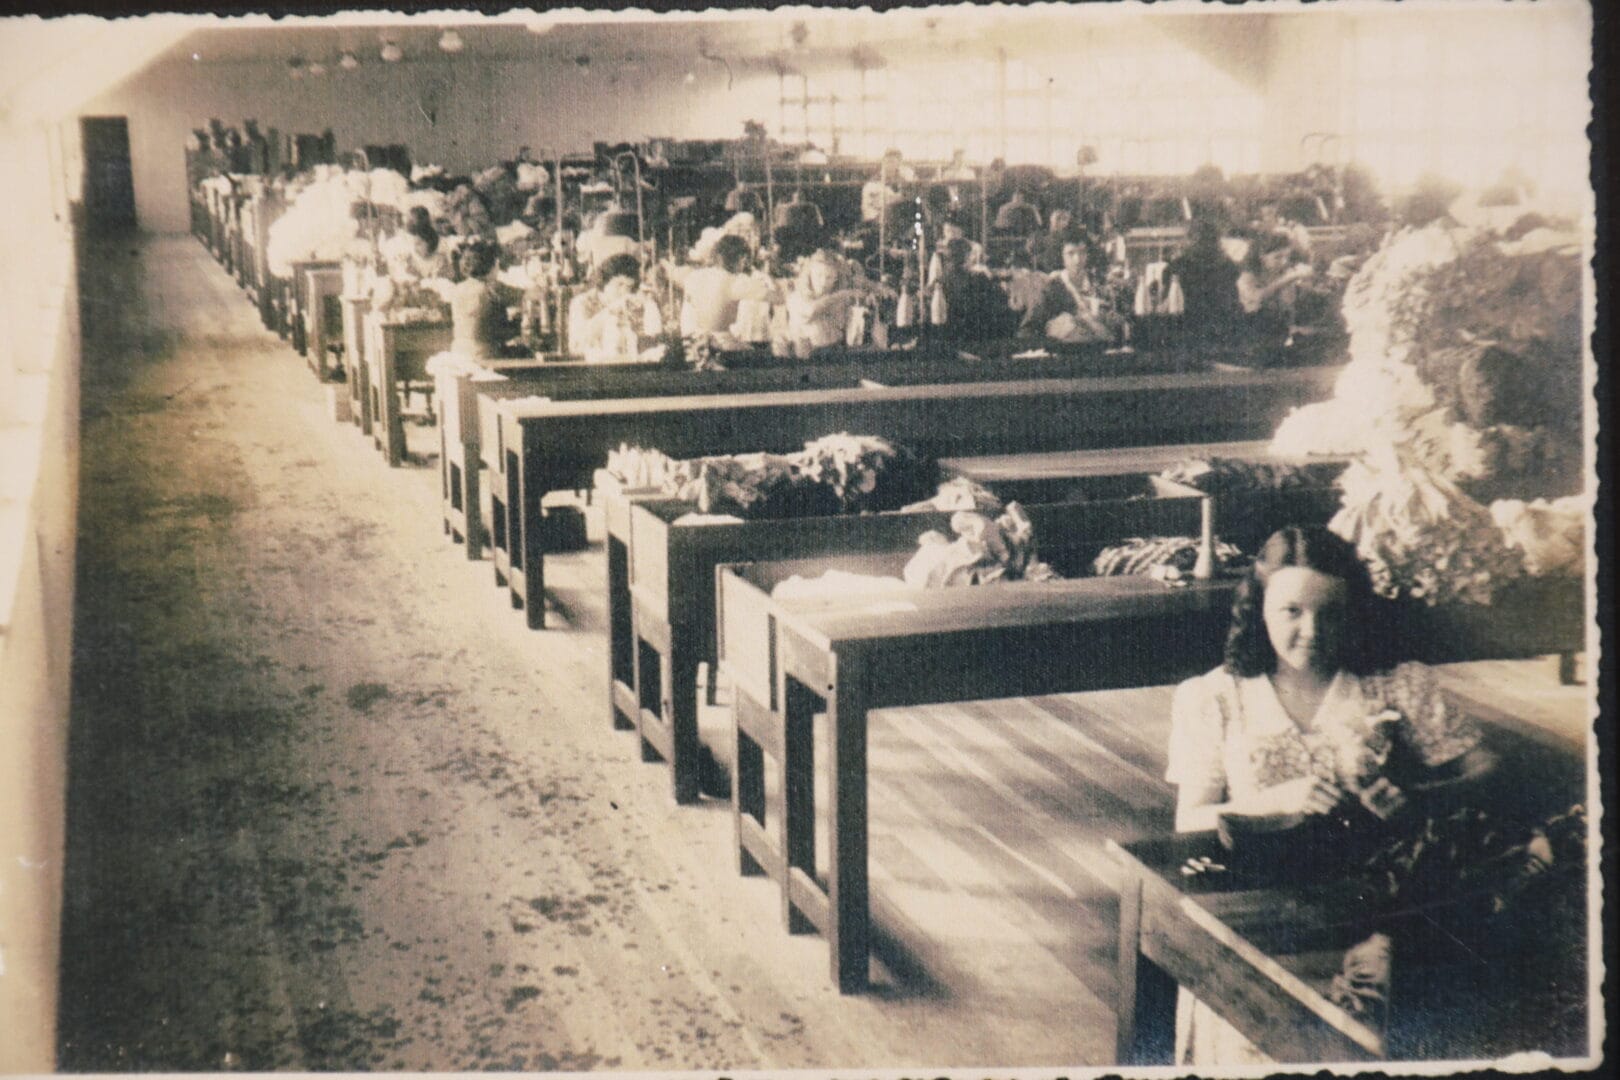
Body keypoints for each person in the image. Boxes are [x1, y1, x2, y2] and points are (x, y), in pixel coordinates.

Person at [1166, 525, 1496, 1064]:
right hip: (1258, 911)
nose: (1312, 631)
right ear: (1259, 608)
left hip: (1375, 913)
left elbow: (1485, 769)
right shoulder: (1216, 696)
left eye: (1331, 613)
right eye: (1291, 611)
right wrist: (1273, 802)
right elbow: (1191, 820)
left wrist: (1417, 795)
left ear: (1355, 612)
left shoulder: (1394, 685)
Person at [1016, 229, 1124, 345]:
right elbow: (1030, 328)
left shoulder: (1098, 282)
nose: (1077, 260)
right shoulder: (1051, 285)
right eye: (1070, 253)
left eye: (1082, 252)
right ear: (1060, 256)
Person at [785, 248, 890, 358]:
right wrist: (842, 295)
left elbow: (862, 284)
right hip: (809, 356)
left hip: (837, 351)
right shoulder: (797, 296)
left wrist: (877, 292)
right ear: (809, 275)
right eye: (818, 275)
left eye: (829, 277)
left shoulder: (837, 294)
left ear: (836, 279)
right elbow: (810, 311)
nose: (823, 282)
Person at [673, 234, 777, 338]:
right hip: (715, 338)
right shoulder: (734, 281)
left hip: (694, 337)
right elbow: (776, 297)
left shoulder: (693, 276)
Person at [566, 253, 664, 363]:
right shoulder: (581, 302)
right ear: (604, 281)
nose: (624, 292)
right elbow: (577, 344)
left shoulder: (630, 305)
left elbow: (645, 339)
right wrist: (610, 311)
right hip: (587, 367)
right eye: (619, 285)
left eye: (629, 287)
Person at [1166, 217, 1242, 343]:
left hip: (1186, 333)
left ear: (1190, 240)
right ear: (1217, 241)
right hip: (1225, 333)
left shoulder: (1177, 266)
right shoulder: (1229, 266)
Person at [932, 237, 1016, 345]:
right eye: (971, 254)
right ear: (966, 256)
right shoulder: (977, 278)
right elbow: (998, 300)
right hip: (976, 333)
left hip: (952, 333)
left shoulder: (942, 280)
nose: (973, 258)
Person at [1236, 232, 1312, 341]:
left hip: (1277, 328)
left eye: (1287, 256)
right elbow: (1256, 298)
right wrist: (1288, 279)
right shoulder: (1247, 275)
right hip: (1250, 329)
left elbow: (1288, 305)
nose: (1284, 261)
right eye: (1278, 257)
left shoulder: (1283, 273)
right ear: (1262, 256)